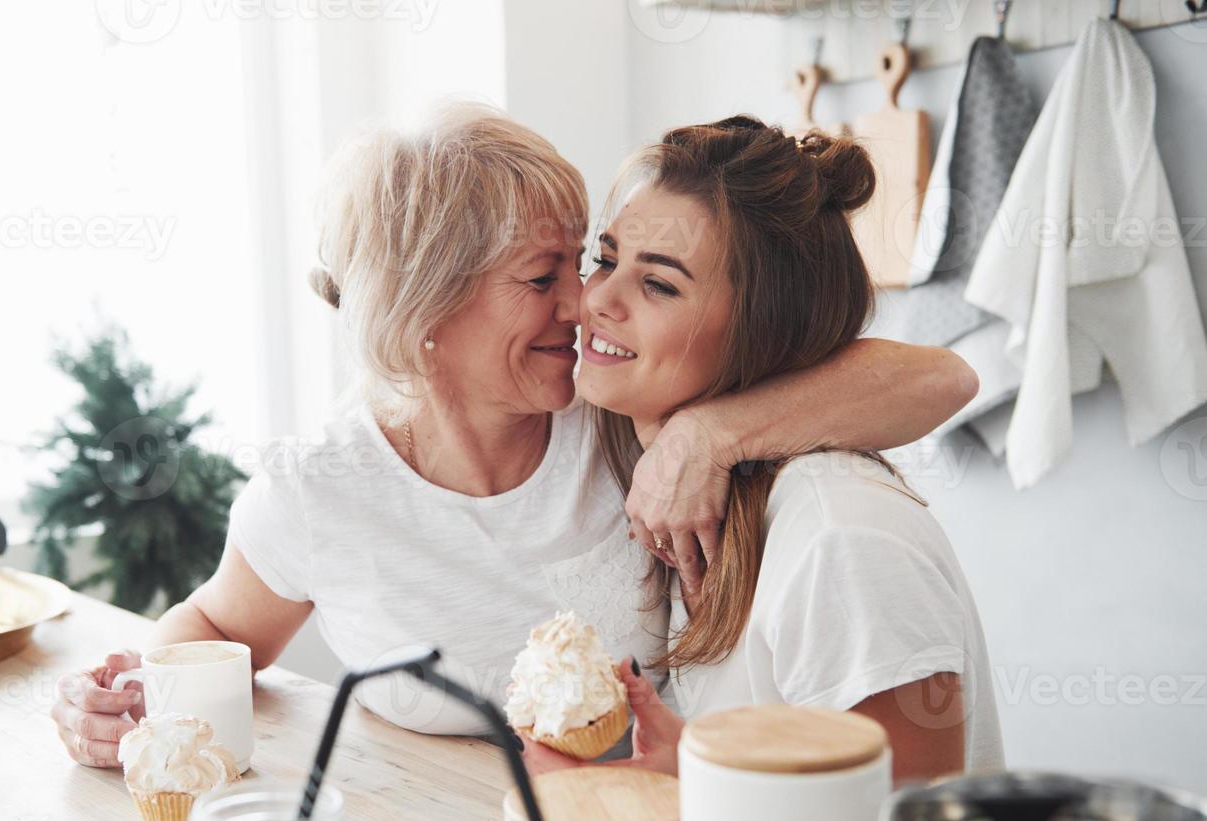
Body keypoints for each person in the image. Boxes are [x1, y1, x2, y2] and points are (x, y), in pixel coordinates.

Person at [52, 103, 979, 767]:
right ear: (427, 308)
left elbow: (940, 376)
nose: (582, 303)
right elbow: (215, 625)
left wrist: (710, 433)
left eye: (586, 263)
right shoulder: (321, 487)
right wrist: (132, 691)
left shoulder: (618, 419)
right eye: (547, 277)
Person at [529, 116, 1002, 783]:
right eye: (604, 261)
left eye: (659, 284)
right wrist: (678, 770)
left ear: (763, 332)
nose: (597, 300)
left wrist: (708, 431)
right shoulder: (671, 484)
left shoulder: (841, 541)